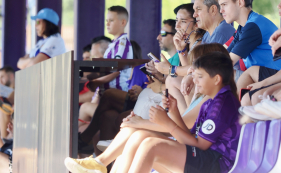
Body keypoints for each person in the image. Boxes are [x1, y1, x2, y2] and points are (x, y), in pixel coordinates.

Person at [64, 47, 238, 173]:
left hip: (215, 163)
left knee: (151, 145)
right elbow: (192, 136)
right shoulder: (213, 100)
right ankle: (100, 165)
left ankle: (99, 164)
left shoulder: (221, 104)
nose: (195, 80)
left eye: (199, 76)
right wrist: (174, 112)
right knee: (140, 136)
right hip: (203, 156)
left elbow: (200, 145)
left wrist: (168, 124)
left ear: (216, 79)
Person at [78, 20, 179, 153]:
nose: (158, 37)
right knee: (108, 116)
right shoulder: (166, 62)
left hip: (157, 105)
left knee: (108, 99)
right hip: (147, 101)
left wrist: (153, 86)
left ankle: (87, 139)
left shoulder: (177, 60)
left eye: (163, 33)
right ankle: (104, 166)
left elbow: (173, 87)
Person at [216, 0, 281, 86]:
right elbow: (225, 55)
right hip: (263, 74)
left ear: (240, 2)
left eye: (224, 4)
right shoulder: (245, 25)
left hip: (278, 76)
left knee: (217, 75)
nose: (221, 10)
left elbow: (229, 62)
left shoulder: (253, 26)